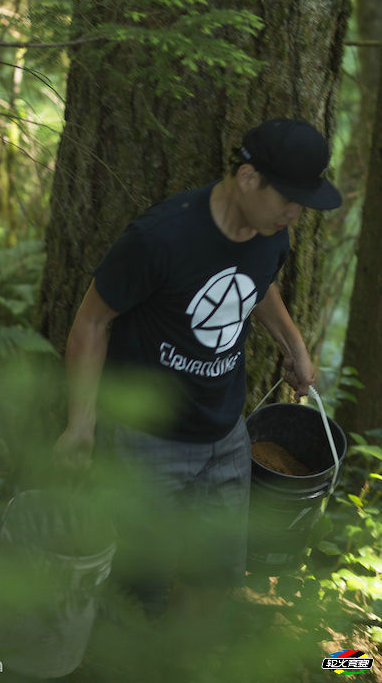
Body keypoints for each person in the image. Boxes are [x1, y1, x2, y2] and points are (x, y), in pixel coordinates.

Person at [53, 117, 342, 607]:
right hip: (147, 440)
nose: (294, 214)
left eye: (302, 203)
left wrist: (292, 344)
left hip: (226, 433)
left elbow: (256, 283)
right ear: (248, 178)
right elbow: (91, 324)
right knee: (137, 590)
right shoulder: (161, 236)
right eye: (287, 199)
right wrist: (80, 425)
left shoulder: (270, 232)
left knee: (214, 579)